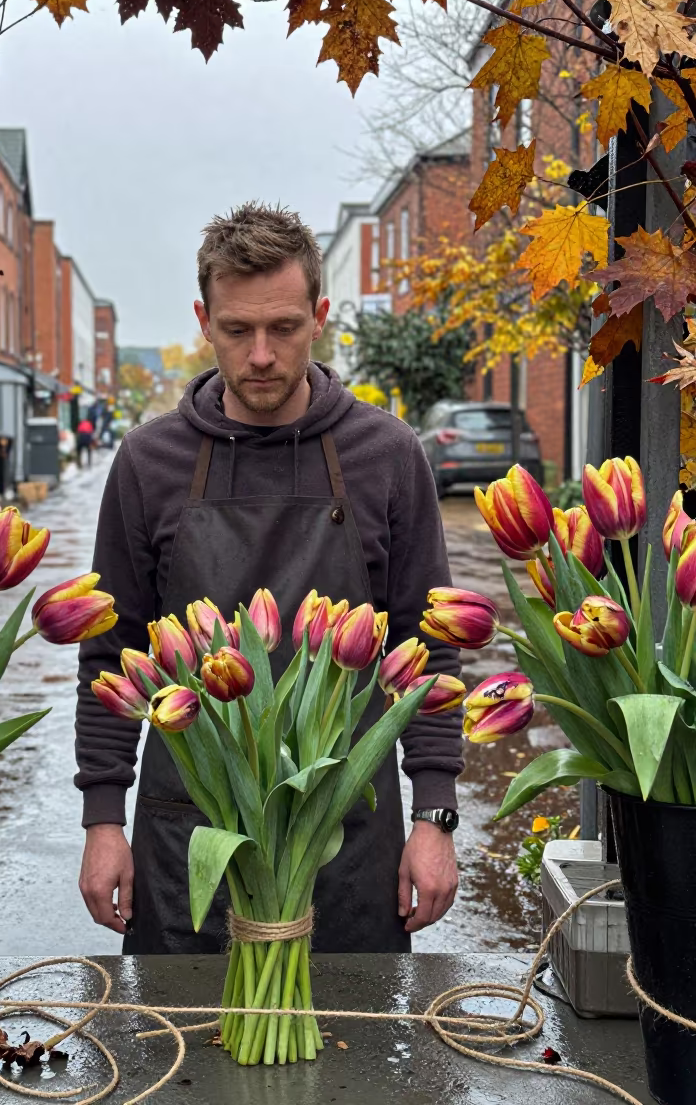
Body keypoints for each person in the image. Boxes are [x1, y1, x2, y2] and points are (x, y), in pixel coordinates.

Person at [76, 203, 463, 955]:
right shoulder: (147, 463)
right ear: (203, 319)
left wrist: (434, 817)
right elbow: (109, 655)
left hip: (347, 834)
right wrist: (101, 820)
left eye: (284, 328)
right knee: (179, 1053)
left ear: (319, 316)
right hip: (189, 831)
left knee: (358, 1060)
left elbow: (429, 651)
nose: (260, 355)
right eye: (236, 330)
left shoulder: (385, 454)